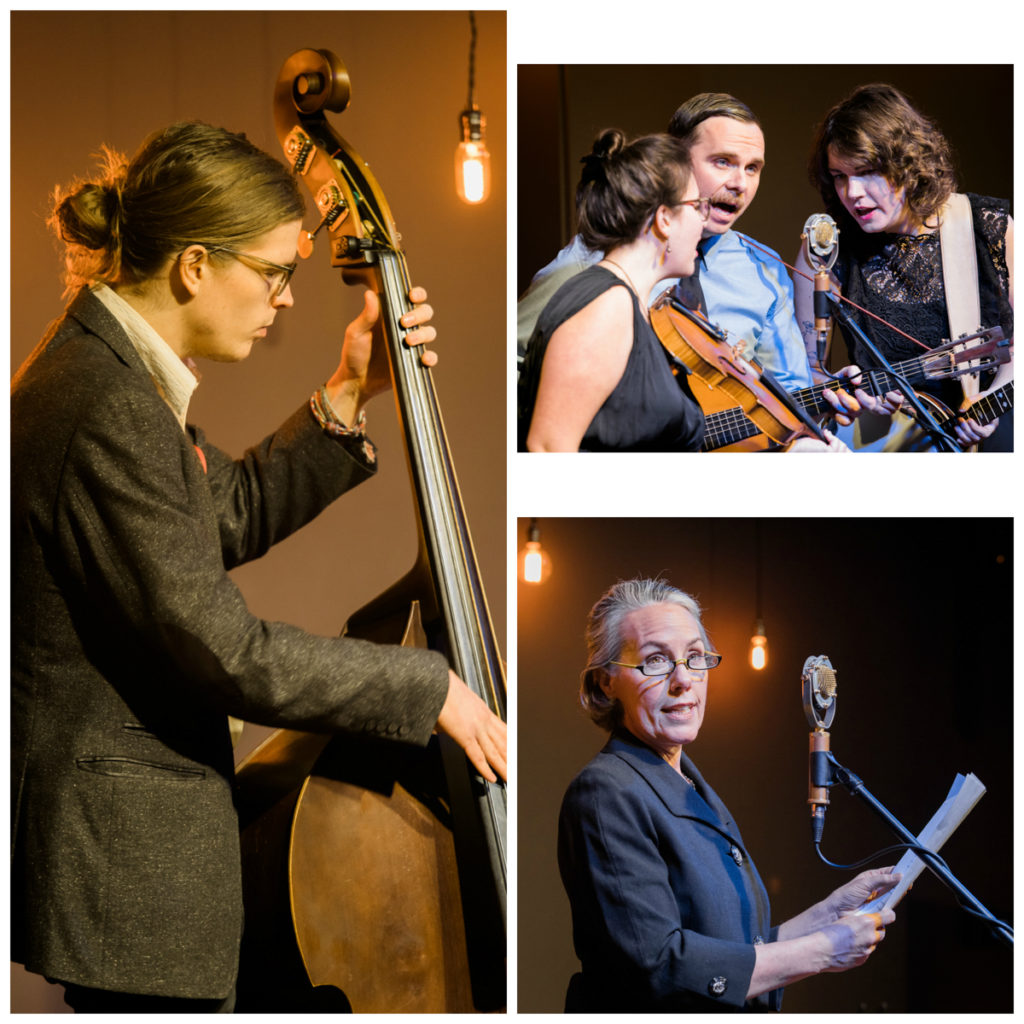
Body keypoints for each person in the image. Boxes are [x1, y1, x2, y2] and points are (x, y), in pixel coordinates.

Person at [10, 121, 507, 1012]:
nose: (284, 299)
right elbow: (223, 647)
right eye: (275, 273)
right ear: (196, 265)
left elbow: (211, 520)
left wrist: (349, 391)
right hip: (131, 877)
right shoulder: (103, 401)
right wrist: (428, 686)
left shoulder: (109, 371)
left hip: (133, 872)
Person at [558, 578, 898, 1012]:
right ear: (607, 682)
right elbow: (660, 967)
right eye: (656, 660)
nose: (683, 680)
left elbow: (733, 954)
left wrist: (826, 917)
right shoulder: (606, 792)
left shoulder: (691, 787)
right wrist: (823, 950)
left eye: (695, 657)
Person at [518, 92, 894, 442]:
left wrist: (821, 400)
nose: (740, 183)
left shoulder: (764, 270)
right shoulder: (598, 260)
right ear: (675, 161)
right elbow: (517, 373)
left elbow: (788, 392)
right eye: (723, 162)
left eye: (753, 168)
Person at [797, 83, 1014, 451]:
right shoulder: (826, 247)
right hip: (887, 446)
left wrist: (991, 399)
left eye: (867, 171)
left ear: (908, 164)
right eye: (839, 176)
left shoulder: (986, 226)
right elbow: (810, 372)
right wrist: (850, 397)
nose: (852, 192)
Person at [517, 129, 710, 452]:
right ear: (664, 218)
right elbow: (549, 448)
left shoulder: (629, 304)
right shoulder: (606, 305)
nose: (703, 220)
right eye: (697, 206)